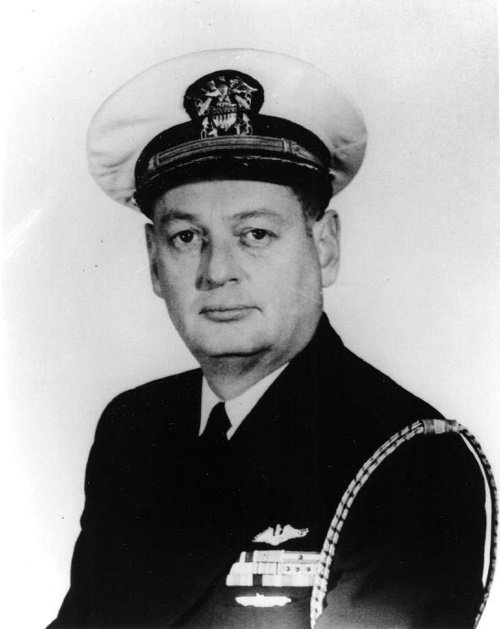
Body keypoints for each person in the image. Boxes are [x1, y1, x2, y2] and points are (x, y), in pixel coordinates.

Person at [48, 49, 493, 628]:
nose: (217, 272)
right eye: (186, 237)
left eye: (255, 233)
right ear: (154, 262)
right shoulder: (134, 427)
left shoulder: (411, 461)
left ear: (324, 248)